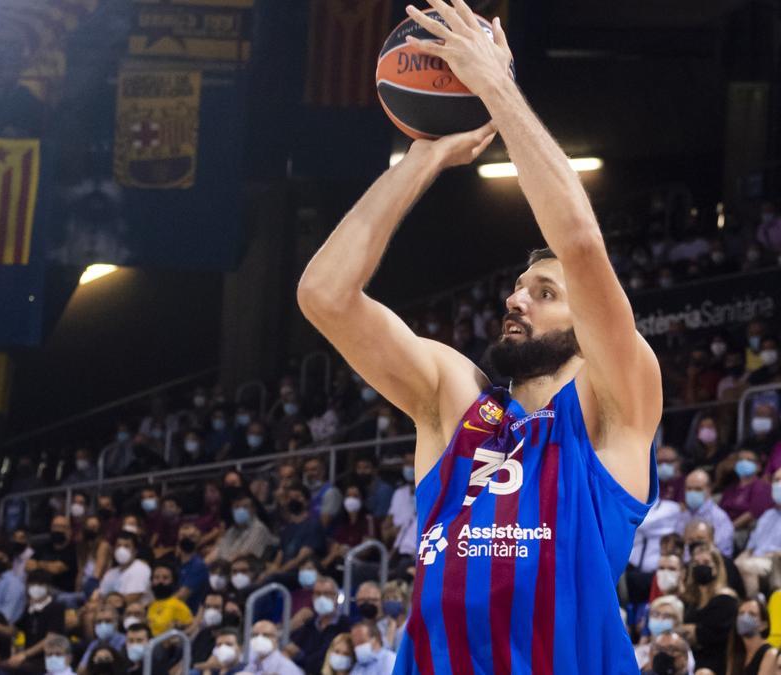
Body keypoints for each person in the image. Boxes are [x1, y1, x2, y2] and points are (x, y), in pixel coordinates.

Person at [298, 3, 662, 672]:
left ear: (590, 327)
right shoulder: (457, 401)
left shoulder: (616, 406)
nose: (517, 297)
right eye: (519, 286)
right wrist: (423, 159)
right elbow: (324, 295)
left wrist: (495, 85)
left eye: (545, 292)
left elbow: (579, 244)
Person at [680, 545, 739, 674]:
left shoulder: (726, 599)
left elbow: (710, 636)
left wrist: (693, 630)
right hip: (691, 660)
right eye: (696, 563)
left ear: (717, 568)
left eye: (706, 563)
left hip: (716, 663)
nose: (700, 566)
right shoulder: (691, 601)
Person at [286, 576, 351, 674]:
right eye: (318, 594)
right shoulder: (309, 624)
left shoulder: (346, 625)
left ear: (336, 597)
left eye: (327, 594)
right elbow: (289, 651)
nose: (321, 598)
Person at [734, 467, 781, 600]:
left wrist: (773, 554)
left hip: (775, 563)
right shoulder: (767, 515)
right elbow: (751, 546)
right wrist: (742, 557)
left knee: (748, 566)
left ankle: (756, 605)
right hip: (757, 559)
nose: (778, 485)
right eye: (776, 481)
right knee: (733, 565)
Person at [7, 569, 67, 673]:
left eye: (40, 584)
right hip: (28, 658)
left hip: (47, 658)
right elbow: (13, 631)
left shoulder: (56, 608)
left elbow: (50, 639)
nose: (35, 588)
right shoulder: (28, 609)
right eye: (32, 584)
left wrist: (24, 655)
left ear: (48, 587)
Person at [676, 470, 735, 558]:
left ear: (709, 489)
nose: (692, 492)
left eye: (698, 489)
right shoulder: (683, 515)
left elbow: (720, 550)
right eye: (689, 489)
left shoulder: (720, 517)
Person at [210, 492, 277, 564]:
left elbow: (241, 556)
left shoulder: (259, 529)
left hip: (248, 569)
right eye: (236, 507)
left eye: (245, 507)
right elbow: (218, 551)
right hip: (226, 567)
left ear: (254, 509)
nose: (240, 511)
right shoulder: (232, 530)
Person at [726, 598, 777, 675]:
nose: (744, 619)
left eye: (752, 614)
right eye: (741, 613)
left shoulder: (770, 654)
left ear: (763, 625)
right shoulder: (736, 652)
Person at [98, 532, 152, 604]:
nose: (121, 549)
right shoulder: (110, 573)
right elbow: (101, 597)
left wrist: (107, 604)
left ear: (135, 551)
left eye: (126, 546)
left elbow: (132, 598)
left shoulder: (141, 568)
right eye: (118, 546)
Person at [634, 595, 684, 670]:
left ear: (677, 621)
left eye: (667, 616)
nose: (660, 619)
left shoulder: (681, 652)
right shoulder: (640, 652)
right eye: (655, 614)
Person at [147, 563, 193, 636]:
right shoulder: (149, 606)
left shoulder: (179, 606)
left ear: (173, 581)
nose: (160, 581)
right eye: (156, 577)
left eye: (165, 578)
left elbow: (189, 630)